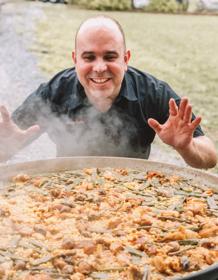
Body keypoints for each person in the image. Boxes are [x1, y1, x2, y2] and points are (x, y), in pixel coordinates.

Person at [0, 15, 217, 169]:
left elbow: (210, 156)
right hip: (66, 196)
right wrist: (7, 147)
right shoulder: (55, 91)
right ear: (75, 59)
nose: (100, 67)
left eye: (110, 56)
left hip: (135, 197)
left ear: (126, 59)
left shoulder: (153, 92)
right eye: (89, 57)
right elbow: (6, 145)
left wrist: (187, 147)